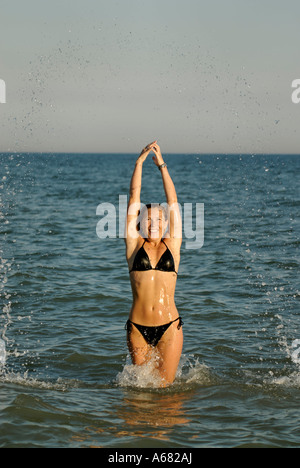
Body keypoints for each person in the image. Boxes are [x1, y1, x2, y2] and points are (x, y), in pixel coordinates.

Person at [125, 141, 183, 386]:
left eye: (158, 219)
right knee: (140, 395)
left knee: (166, 394)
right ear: (140, 224)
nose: (153, 223)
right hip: (138, 328)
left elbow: (173, 202)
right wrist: (139, 163)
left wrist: (161, 166)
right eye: (148, 219)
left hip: (169, 326)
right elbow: (133, 197)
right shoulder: (134, 246)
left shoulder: (173, 244)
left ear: (166, 223)